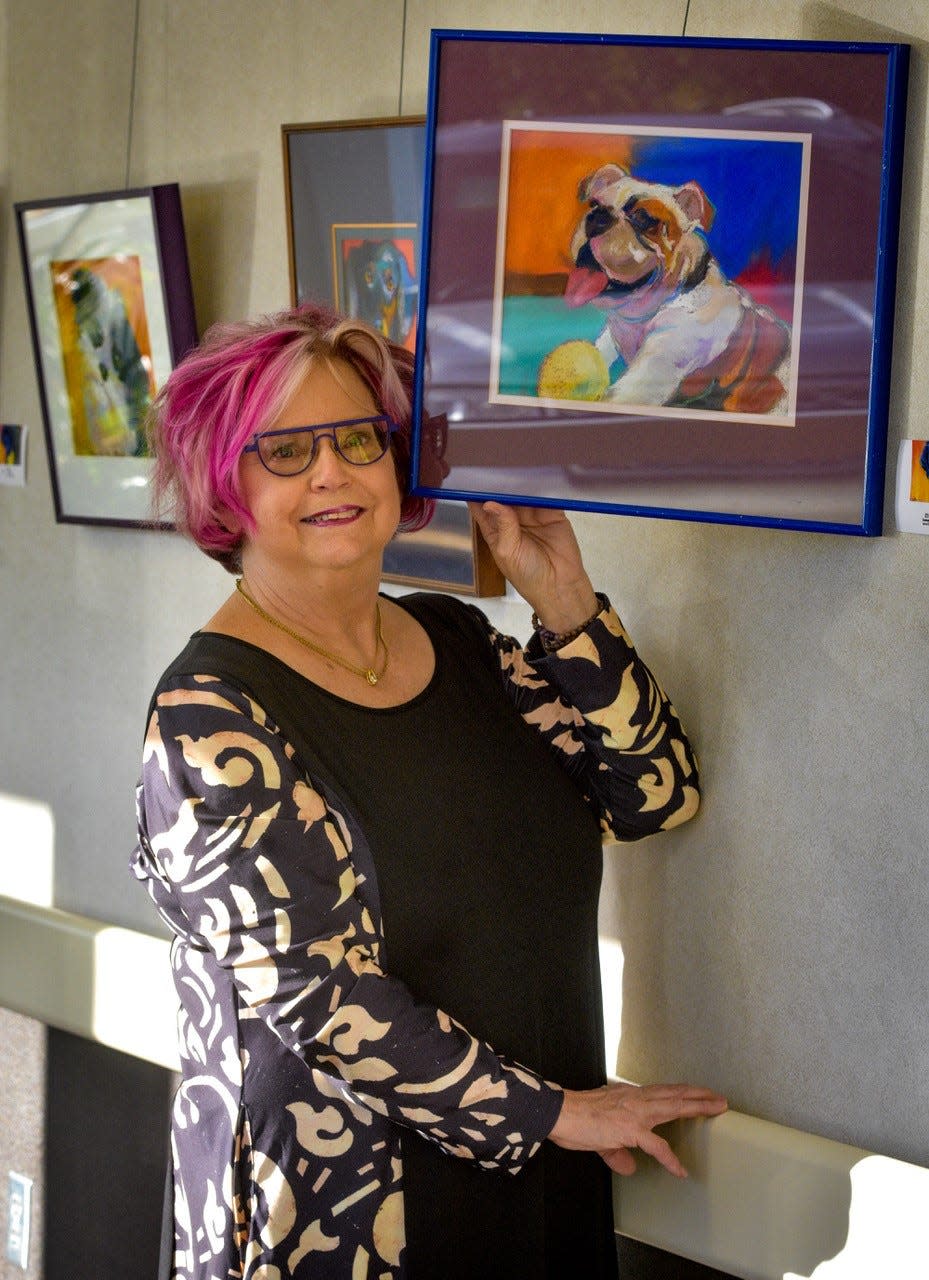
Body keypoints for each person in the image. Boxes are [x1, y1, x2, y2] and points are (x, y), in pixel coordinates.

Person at [132, 301, 726, 1280]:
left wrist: (564, 598)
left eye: (357, 438)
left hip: (537, 1168)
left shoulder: (460, 642)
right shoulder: (209, 714)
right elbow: (321, 998)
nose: (332, 471)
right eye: (283, 450)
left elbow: (653, 791)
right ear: (221, 483)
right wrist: (556, 1109)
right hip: (345, 1215)